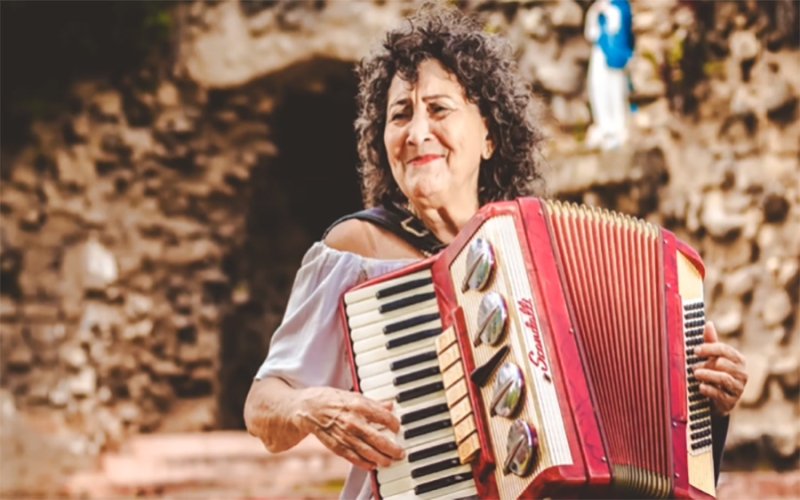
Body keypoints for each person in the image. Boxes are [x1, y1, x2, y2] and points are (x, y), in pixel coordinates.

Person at [243, 5, 747, 499]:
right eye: (400, 114)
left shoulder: (536, 254)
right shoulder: (356, 251)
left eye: (438, 109)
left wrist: (709, 398)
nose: (417, 132)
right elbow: (263, 405)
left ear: (488, 135)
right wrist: (307, 406)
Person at [584, 0, 635, 150]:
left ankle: (618, 129)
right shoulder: (596, 7)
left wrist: (607, 11)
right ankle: (604, 126)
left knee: (616, 90)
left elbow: (618, 29)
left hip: (614, 56)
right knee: (598, 87)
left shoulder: (621, 6)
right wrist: (594, 13)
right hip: (599, 54)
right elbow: (591, 33)